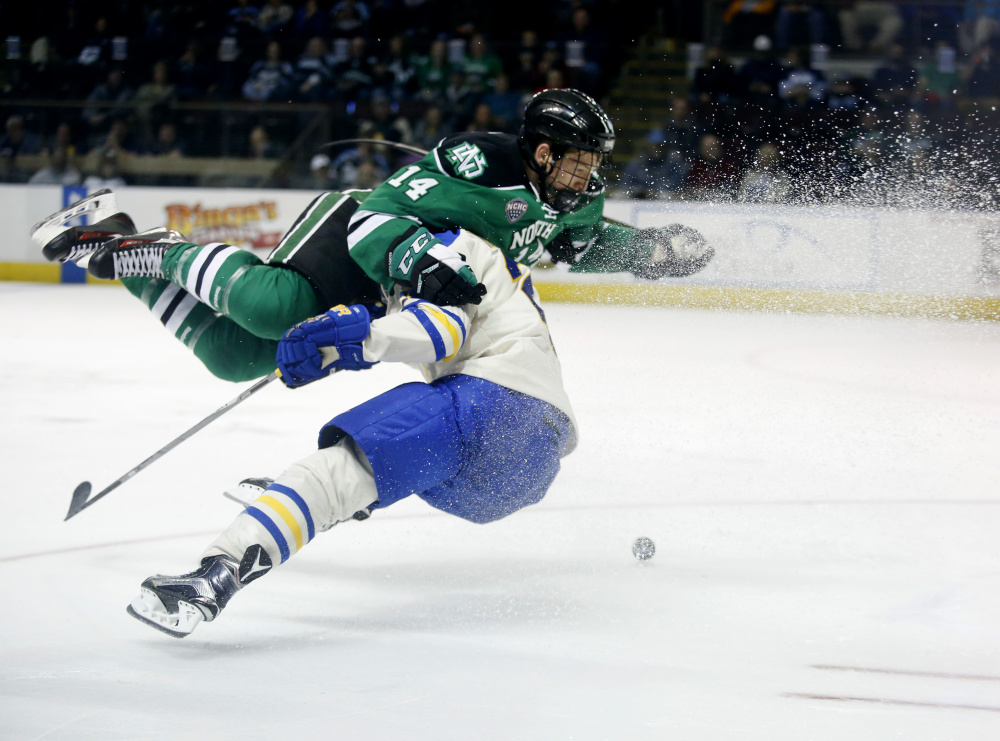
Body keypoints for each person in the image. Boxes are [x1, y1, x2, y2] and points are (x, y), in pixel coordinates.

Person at [32, 89, 714, 384]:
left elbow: (584, 245)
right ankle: (163, 246)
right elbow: (379, 216)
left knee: (235, 357)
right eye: (577, 160)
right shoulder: (478, 166)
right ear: (539, 151)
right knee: (273, 308)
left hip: (399, 284)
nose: (588, 175)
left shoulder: (576, 199)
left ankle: (126, 253)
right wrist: (416, 257)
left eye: (594, 164)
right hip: (360, 230)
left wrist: (652, 253)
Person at [126, 227, 578, 637]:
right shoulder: (488, 258)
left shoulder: (441, 243)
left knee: (333, 474)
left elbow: (441, 330)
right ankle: (312, 506)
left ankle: (215, 579)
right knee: (371, 470)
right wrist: (330, 349)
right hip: (529, 466)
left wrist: (347, 339)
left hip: (491, 409)